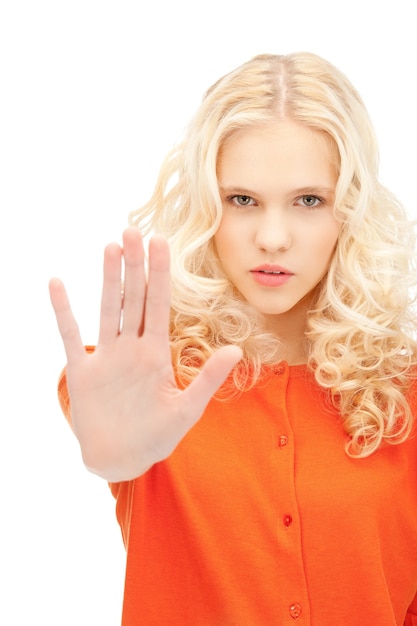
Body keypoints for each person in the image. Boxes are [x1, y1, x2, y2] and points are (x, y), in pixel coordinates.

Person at [49, 52, 417, 625]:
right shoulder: (143, 384)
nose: (272, 237)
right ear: (205, 206)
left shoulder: (404, 398)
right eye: (241, 200)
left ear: (351, 210)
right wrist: (112, 461)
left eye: (309, 200)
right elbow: (109, 442)